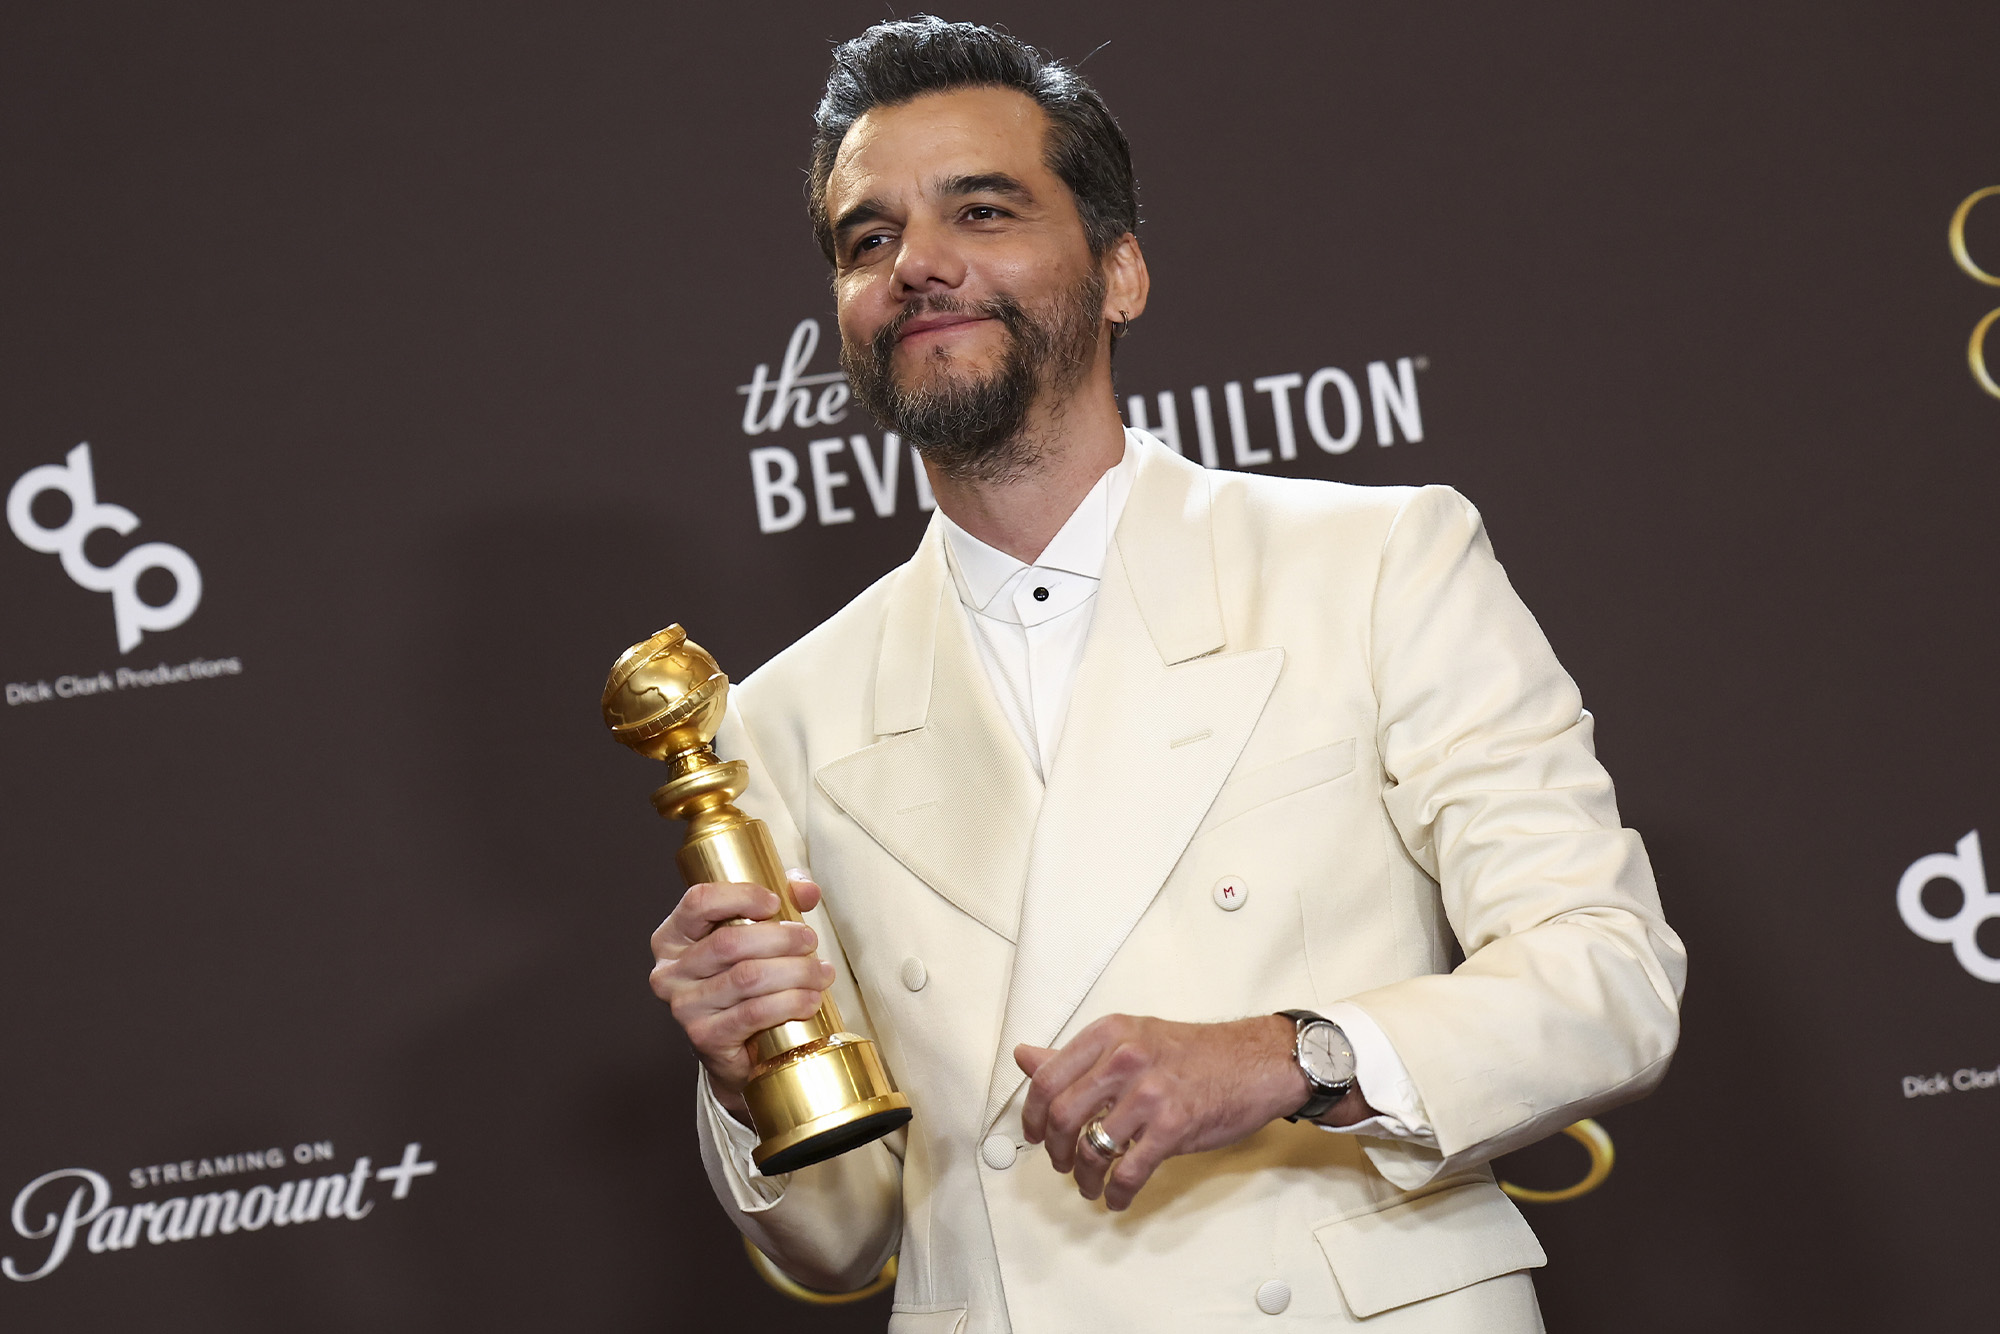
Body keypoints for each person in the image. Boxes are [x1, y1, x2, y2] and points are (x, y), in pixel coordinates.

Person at [645, 18, 1685, 1332]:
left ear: (1121, 270)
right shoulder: (779, 716)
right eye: (868, 239)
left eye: (982, 208)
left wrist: (1288, 1056)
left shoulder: (1375, 560)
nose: (918, 264)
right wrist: (751, 1077)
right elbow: (846, 1234)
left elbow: (1607, 978)